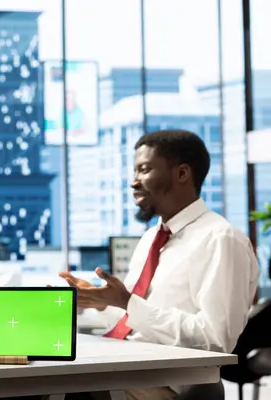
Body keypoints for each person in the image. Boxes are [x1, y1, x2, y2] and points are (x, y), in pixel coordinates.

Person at [59, 129, 259, 400]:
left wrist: (128, 302)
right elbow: (135, 319)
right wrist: (102, 302)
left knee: (58, 386)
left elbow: (215, 340)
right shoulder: (152, 237)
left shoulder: (220, 239)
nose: (134, 182)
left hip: (164, 382)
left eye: (144, 170)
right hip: (130, 366)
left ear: (182, 173)